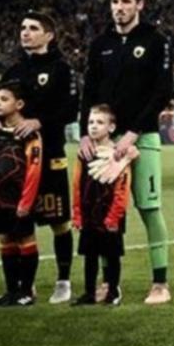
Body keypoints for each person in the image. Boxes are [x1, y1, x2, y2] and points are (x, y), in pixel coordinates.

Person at [79, 0, 173, 305]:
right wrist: (85, 133)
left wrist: (134, 131)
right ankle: (110, 283)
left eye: (125, 2)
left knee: (149, 207)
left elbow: (162, 91)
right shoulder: (100, 43)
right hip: (106, 140)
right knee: (105, 210)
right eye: (114, 2)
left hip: (142, 137)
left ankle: (160, 283)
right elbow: (88, 92)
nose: (119, 7)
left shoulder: (156, 40)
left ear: (139, 4)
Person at [3, 12, 78, 303]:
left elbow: (70, 110)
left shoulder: (61, 69)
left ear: (49, 35)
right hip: (15, 159)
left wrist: (38, 122)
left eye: (33, 28)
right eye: (23, 27)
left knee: (59, 220)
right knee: (18, 221)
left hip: (50, 156)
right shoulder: (13, 71)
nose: (25, 32)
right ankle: (25, 285)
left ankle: (63, 280)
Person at [71, 105, 133, 307]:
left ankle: (113, 291)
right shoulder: (84, 154)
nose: (94, 126)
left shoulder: (118, 154)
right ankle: (89, 292)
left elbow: (122, 187)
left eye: (99, 122)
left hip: (110, 214)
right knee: (89, 255)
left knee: (112, 254)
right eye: (90, 122)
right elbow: (77, 184)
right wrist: (77, 213)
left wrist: (114, 216)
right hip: (88, 213)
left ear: (111, 127)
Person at [0, 82, 43, 306]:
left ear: (19, 104)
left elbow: (34, 169)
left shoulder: (29, 134)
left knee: (25, 239)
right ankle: (11, 291)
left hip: (21, 199)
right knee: (5, 239)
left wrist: (26, 202)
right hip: (0, 199)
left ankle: (26, 291)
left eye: (4, 99)